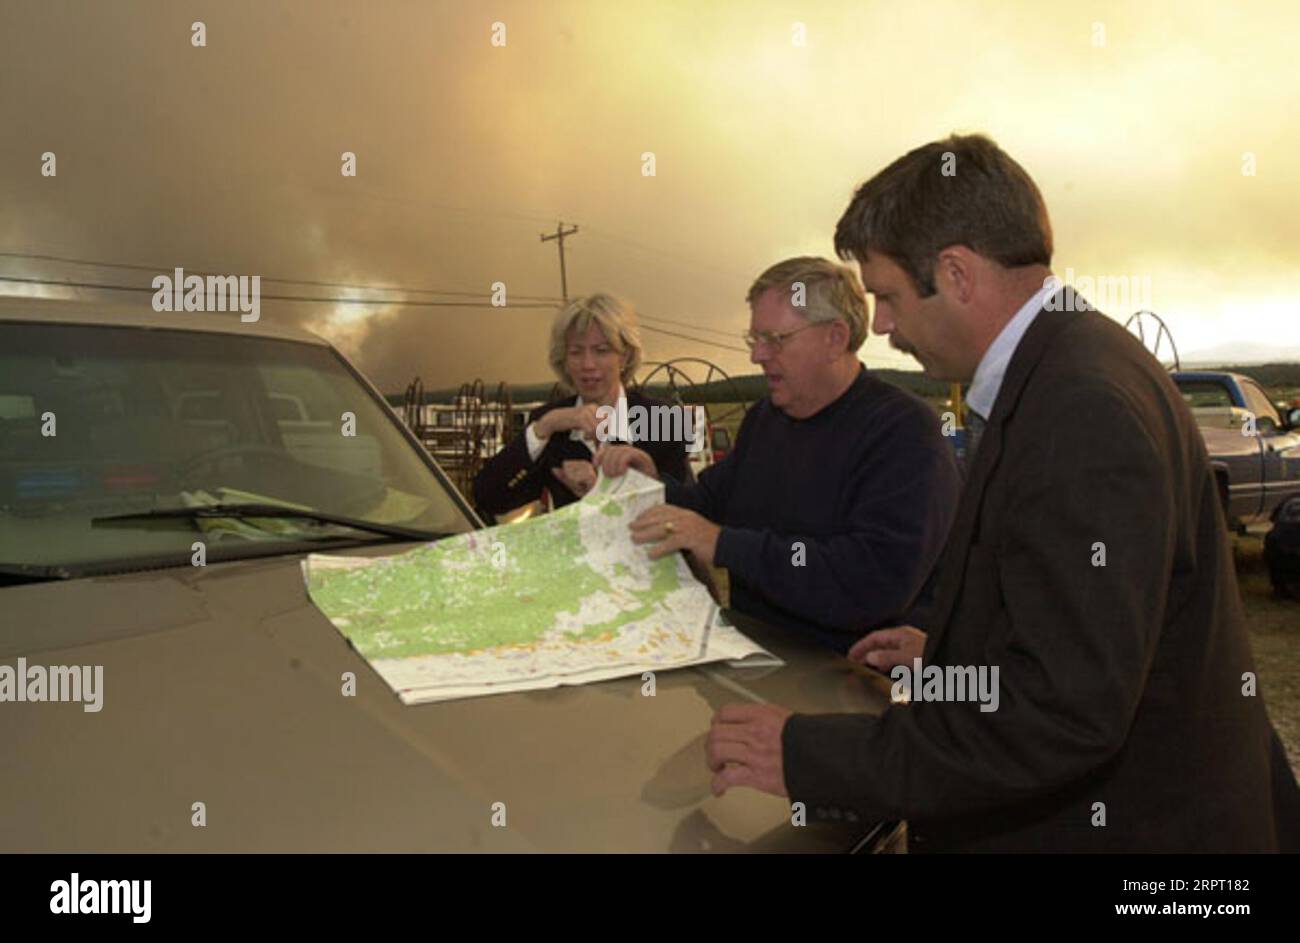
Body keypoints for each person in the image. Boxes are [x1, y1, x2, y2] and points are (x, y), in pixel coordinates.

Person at [704, 134, 1300, 852]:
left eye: (888, 297)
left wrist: (802, 756)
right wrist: (956, 655)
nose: (883, 327)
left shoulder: (1082, 408)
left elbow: (1063, 714)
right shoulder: (1074, 360)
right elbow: (1088, 628)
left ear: (955, 273)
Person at [596, 257, 960, 652]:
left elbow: (869, 584)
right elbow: (708, 504)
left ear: (835, 338)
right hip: (758, 665)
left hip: (854, 688)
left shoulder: (903, 434)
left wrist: (723, 544)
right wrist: (645, 482)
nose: (758, 356)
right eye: (754, 340)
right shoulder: (766, 420)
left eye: (776, 340)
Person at [473, 293, 689, 520]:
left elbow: (687, 513)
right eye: (576, 352)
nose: (587, 364)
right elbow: (489, 497)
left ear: (624, 357)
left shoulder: (665, 419)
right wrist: (543, 428)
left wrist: (602, 491)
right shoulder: (551, 424)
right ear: (563, 360)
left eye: (601, 351)